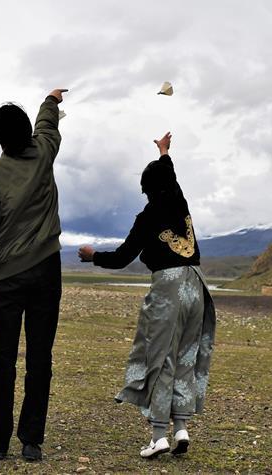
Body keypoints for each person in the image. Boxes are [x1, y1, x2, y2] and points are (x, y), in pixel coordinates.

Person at [78, 132, 216, 459]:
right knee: (185, 355)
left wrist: (92, 256)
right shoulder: (179, 201)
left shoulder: (147, 216)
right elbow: (170, 174)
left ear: (147, 190)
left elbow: (123, 257)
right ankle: (180, 427)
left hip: (168, 286)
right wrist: (165, 152)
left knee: (159, 357)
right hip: (196, 283)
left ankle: (159, 436)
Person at [0, 89, 67, 462]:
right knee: (41, 356)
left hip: (4, 279)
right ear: (26, 132)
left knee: (2, 359)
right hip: (45, 272)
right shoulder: (44, 154)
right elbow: (48, 125)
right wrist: (51, 100)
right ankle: (31, 441)